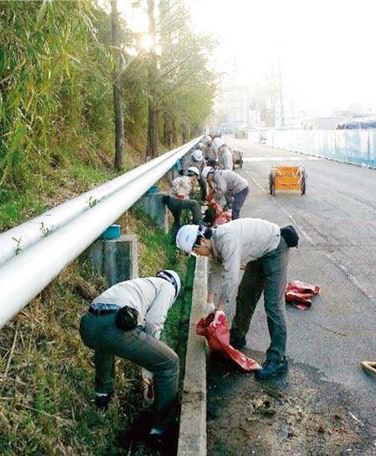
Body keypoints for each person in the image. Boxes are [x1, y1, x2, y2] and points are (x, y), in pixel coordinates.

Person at [176, 220, 298, 380]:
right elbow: (215, 272)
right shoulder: (213, 244)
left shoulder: (227, 240)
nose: (197, 254)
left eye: (195, 250)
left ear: (202, 240)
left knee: (273, 305)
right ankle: (238, 335)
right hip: (259, 253)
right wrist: (209, 302)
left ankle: (278, 359)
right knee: (245, 295)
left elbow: (231, 277)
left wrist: (220, 309)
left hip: (275, 248)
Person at [79, 270, 181, 440]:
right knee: (170, 363)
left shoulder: (140, 284)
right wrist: (150, 366)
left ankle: (102, 396)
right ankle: (160, 428)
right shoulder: (168, 287)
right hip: (113, 324)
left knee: (104, 344)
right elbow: (154, 323)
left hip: (88, 324)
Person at [164, 166, 202, 240]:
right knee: (194, 204)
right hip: (174, 200)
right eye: (196, 177)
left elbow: (186, 197)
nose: (196, 179)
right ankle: (198, 225)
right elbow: (174, 182)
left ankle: (171, 239)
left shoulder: (188, 183)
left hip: (174, 202)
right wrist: (178, 193)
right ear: (194, 176)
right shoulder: (185, 179)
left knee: (177, 221)